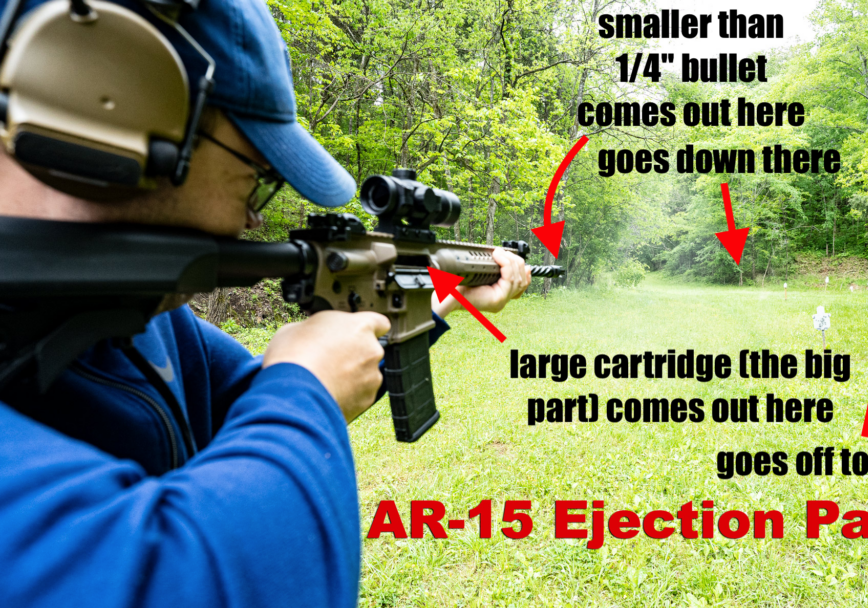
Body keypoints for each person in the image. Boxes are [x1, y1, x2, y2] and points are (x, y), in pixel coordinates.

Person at [0, 0, 529, 605]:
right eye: (256, 177)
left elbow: (258, 402)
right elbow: (171, 581)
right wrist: (304, 389)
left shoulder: (146, 317)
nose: (252, 216)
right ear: (116, 110)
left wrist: (438, 304)